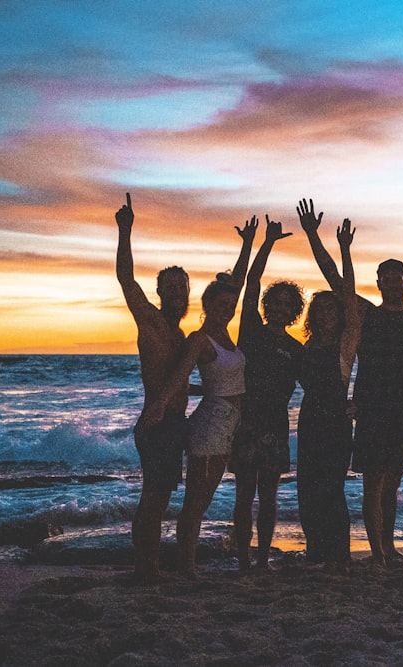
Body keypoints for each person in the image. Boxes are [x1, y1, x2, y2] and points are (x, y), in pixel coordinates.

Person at [299, 199, 403, 566]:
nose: (390, 281)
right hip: (372, 412)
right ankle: (377, 553)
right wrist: (323, 240)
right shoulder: (367, 316)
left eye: (396, 275)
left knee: (393, 485)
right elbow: (335, 281)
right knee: (374, 484)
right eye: (384, 276)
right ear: (379, 282)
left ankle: (388, 547)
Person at [144, 216, 256, 578]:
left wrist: (248, 245)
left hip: (228, 425)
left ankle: (184, 566)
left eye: (230, 304)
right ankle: (187, 569)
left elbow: (235, 285)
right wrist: (160, 404)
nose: (228, 307)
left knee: (201, 501)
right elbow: (179, 375)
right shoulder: (200, 339)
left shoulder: (226, 336)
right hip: (209, 424)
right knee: (196, 503)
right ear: (206, 305)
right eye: (221, 304)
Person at [115, 192, 191, 583]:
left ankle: (151, 564)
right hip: (157, 425)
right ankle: (145, 567)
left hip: (175, 423)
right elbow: (126, 280)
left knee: (161, 499)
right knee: (154, 498)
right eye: (171, 288)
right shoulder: (151, 322)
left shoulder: (180, 336)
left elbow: (177, 385)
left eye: (183, 288)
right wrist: (125, 230)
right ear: (160, 292)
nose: (178, 293)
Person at [229, 216, 305, 572]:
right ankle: (243, 558)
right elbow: (253, 281)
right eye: (275, 302)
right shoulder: (251, 331)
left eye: (287, 304)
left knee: (270, 496)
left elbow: (315, 387)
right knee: (244, 494)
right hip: (246, 422)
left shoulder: (296, 348)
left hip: (276, 425)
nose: (279, 308)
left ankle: (262, 559)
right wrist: (267, 242)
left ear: (294, 312)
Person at [296, 218, 362, 572]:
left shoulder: (345, 344)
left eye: (330, 309)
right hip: (310, 421)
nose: (325, 314)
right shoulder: (305, 348)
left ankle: (338, 555)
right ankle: (315, 552)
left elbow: (349, 295)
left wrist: (344, 250)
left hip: (336, 423)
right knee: (307, 487)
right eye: (318, 309)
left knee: (332, 489)